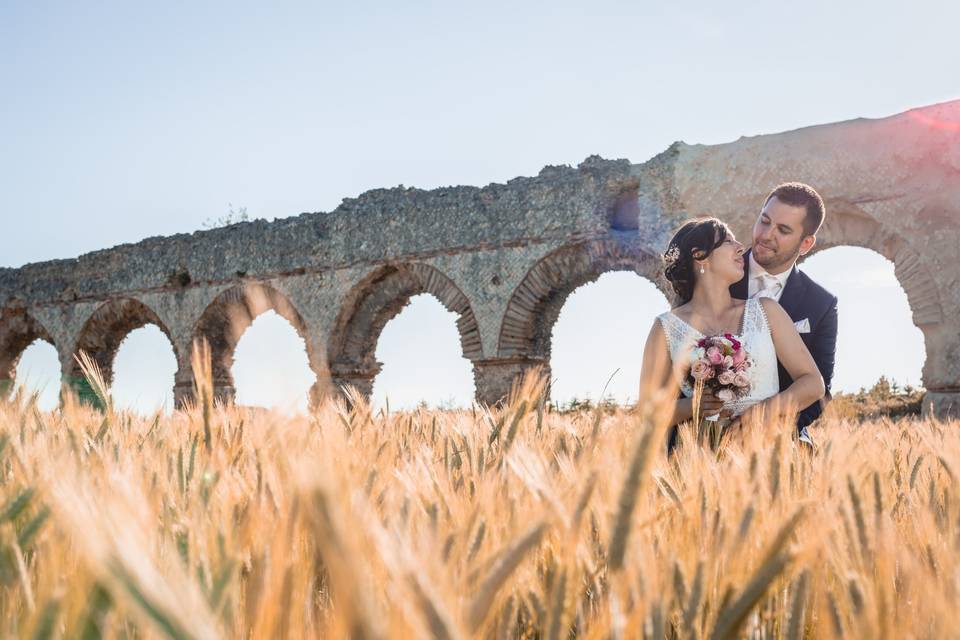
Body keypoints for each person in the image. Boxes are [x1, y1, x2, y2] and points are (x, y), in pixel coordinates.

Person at [637, 217, 825, 449]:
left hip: (768, 449)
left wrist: (763, 413)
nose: (740, 247)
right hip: (704, 456)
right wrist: (693, 405)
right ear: (699, 256)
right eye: (727, 241)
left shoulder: (766, 311)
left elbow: (813, 383)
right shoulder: (665, 327)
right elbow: (647, 411)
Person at [730, 183, 838, 445]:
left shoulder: (821, 304)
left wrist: (766, 430)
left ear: (806, 243)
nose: (766, 235)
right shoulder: (713, 276)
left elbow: (820, 394)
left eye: (783, 230)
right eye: (764, 221)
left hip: (779, 441)